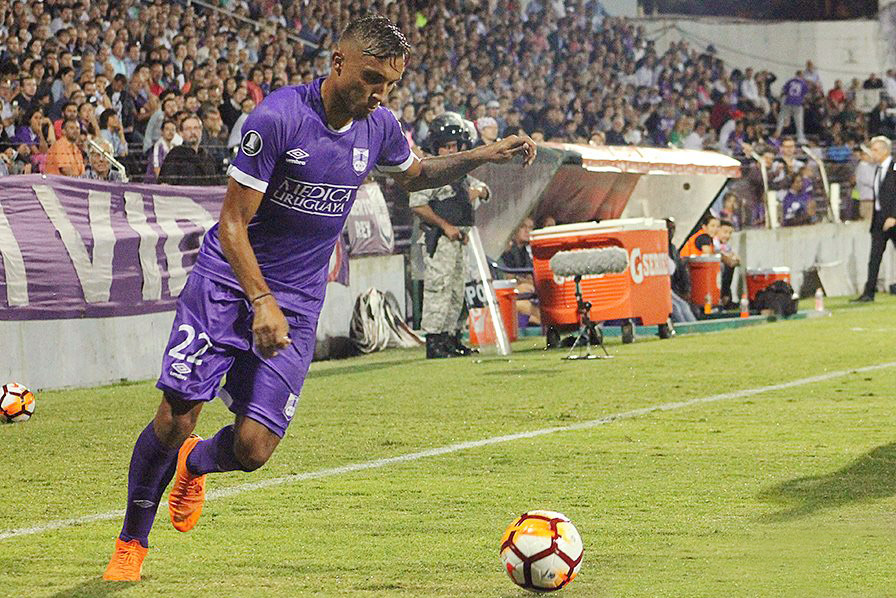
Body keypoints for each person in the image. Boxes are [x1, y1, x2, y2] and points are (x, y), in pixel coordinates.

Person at [102, 14, 536, 582]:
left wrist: (487, 153)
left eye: (390, 84)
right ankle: (131, 542)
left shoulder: (378, 126)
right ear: (338, 63)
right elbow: (232, 223)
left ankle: (196, 463)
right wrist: (260, 299)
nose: (379, 94)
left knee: (254, 448)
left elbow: (416, 172)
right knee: (175, 417)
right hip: (227, 285)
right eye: (371, 78)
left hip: (297, 304)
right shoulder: (277, 118)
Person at [410, 112, 493, 358]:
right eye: (445, 146)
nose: (450, 151)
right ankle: (435, 341)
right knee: (439, 288)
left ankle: (452, 337)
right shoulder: (430, 173)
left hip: (460, 239)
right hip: (440, 239)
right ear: (436, 147)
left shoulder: (459, 173)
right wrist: (445, 225)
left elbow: (483, 190)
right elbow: (418, 205)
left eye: (454, 146)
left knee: (457, 290)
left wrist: (479, 192)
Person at [853, 136, 896, 302]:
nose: (872, 153)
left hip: (892, 219)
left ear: (886, 151)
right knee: (874, 258)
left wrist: (893, 216)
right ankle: (869, 292)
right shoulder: (877, 169)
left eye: (876, 150)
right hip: (879, 220)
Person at [158, 115, 219, 186]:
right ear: (181, 133)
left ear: (201, 131)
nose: (193, 132)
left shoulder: (207, 157)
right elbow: (165, 184)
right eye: (188, 129)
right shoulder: (175, 155)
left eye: (196, 128)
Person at [774, 71, 809, 144]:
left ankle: (777, 134)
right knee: (799, 122)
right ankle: (800, 138)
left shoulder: (790, 81)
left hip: (788, 101)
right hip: (797, 103)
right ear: (801, 75)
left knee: (781, 118)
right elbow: (805, 94)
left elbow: (784, 91)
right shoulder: (803, 83)